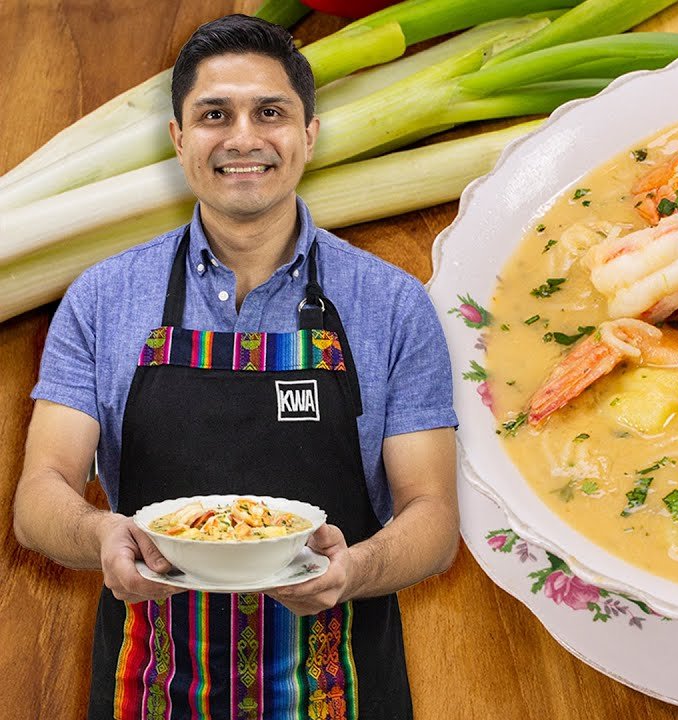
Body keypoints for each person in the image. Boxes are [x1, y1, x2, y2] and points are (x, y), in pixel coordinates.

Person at [12, 14, 459, 719]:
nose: (243, 138)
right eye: (214, 114)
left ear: (309, 134)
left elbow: (432, 515)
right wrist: (100, 535)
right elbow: (40, 494)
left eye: (270, 112)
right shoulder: (102, 299)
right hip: (149, 689)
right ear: (178, 138)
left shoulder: (393, 304)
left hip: (340, 689)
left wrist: (354, 569)